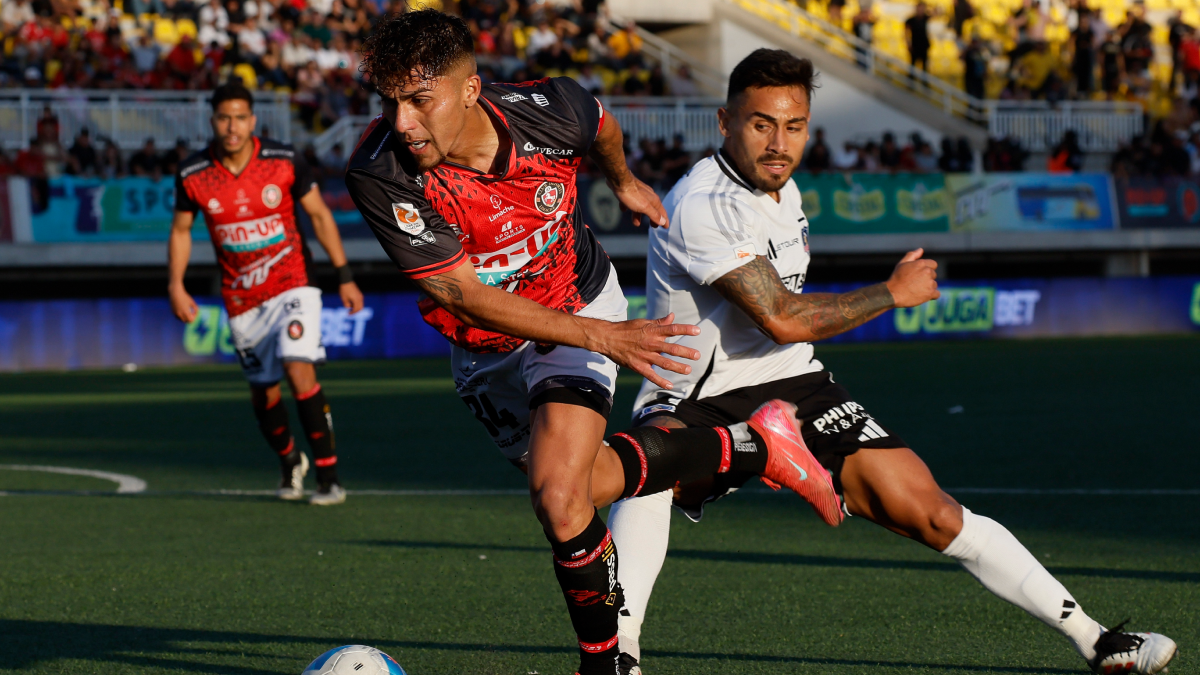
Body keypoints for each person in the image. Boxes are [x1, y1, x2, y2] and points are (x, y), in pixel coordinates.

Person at [607, 48, 1179, 675]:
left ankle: (1098, 643)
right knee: (648, 470)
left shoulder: (782, 188)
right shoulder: (702, 203)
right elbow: (782, 317)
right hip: (699, 395)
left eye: (794, 126)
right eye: (761, 124)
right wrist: (892, 293)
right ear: (725, 122)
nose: (778, 143)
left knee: (934, 512)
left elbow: (785, 334)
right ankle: (619, 653)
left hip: (793, 382)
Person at [344, 12, 838, 675]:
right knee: (583, 488)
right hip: (486, 347)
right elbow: (462, 294)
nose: (401, 122)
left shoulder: (550, 111)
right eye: (390, 102)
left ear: (470, 90)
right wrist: (603, 337)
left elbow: (600, 125)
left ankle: (606, 664)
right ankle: (752, 445)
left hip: (575, 302)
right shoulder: (380, 172)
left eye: (418, 99)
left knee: (557, 496)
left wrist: (621, 178)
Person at [167, 82, 365, 506]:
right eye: (224, 118)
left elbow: (319, 215)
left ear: (252, 120)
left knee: (299, 369)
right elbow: (181, 230)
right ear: (212, 121)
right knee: (264, 392)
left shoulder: (284, 160)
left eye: (240, 117)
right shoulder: (192, 173)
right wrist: (175, 284)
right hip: (242, 299)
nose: (232, 126)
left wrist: (344, 275)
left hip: (294, 283)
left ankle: (329, 478)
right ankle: (290, 459)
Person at [905, 1, 931, 79]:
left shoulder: (925, 18)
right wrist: (908, 44)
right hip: (914, 46)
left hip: (924, 46)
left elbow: (936, 13)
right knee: (912, 68)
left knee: (925, 69)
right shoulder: (911, 20)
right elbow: (906, 33)